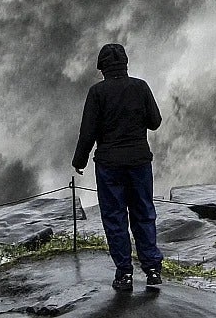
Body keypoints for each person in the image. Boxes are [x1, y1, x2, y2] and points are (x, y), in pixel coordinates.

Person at [72, 42, 164, 291]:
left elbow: (87, 132)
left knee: (115, 218)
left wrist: (79, 161)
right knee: (143, 213)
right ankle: (153, 270)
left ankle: (124, 274)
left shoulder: (97, 93)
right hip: (139, 162)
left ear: (101, 67)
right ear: (125, 64)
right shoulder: (140, 87)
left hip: (109, 165)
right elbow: (155, 122)